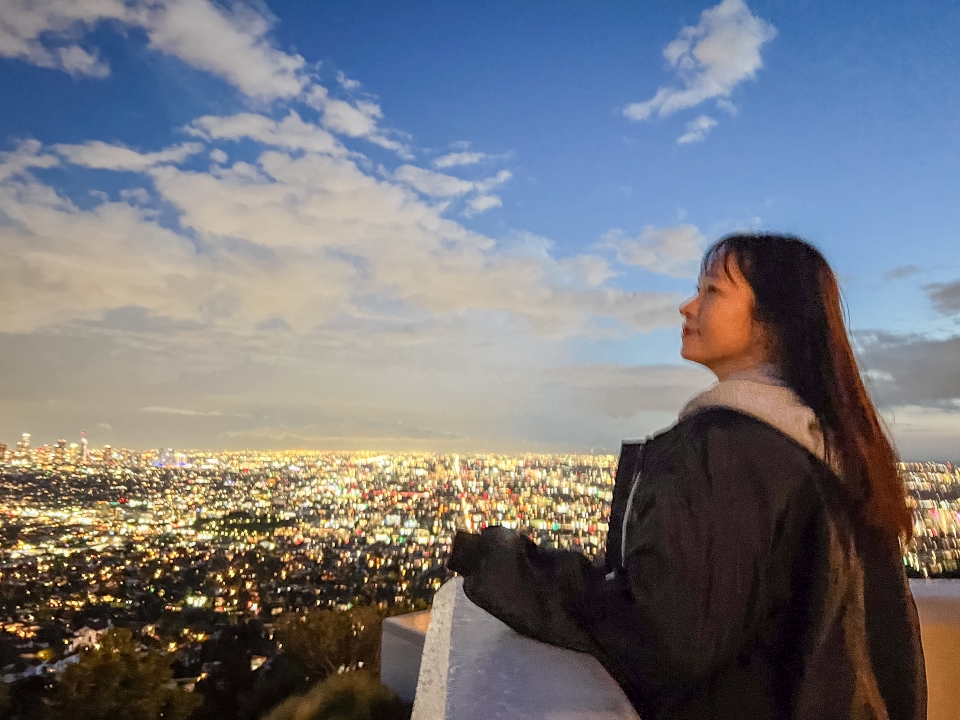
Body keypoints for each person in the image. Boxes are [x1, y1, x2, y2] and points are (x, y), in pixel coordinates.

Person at [447, 233, 926, 720]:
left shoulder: (729, 451)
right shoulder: (823, 450)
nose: (687, 306)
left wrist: (501, 564)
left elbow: (660, 633)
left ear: (771, 324)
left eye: (712, 291)